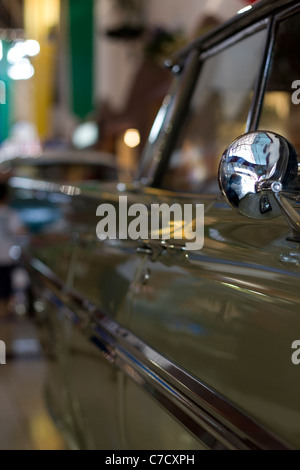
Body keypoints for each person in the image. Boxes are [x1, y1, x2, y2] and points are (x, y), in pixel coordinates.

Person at [0, 181, 25, 319]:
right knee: (5, 287)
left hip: (5, 256)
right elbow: (19, 231)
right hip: (6, 256)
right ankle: (3, 314)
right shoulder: (11, 214)